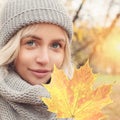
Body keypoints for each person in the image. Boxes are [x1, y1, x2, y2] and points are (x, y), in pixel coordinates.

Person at [0, 0, 73, 119]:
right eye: (31, 43)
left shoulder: (76, 105)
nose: (44, 59)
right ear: (9, 47)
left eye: (55, 45)